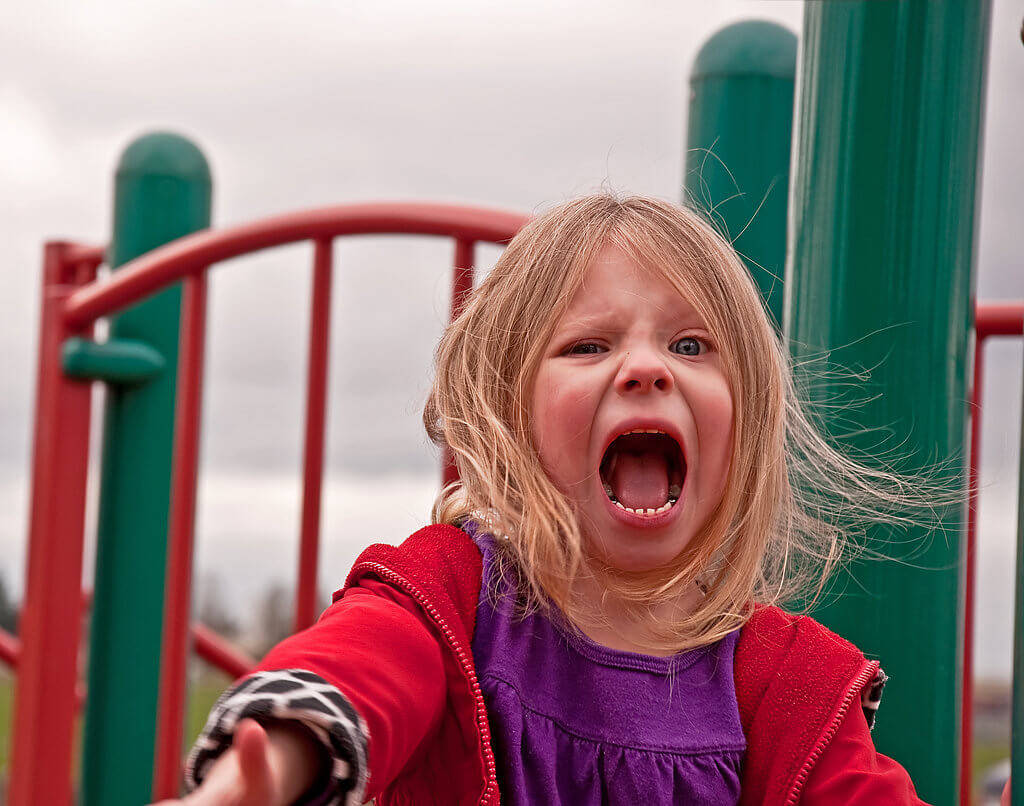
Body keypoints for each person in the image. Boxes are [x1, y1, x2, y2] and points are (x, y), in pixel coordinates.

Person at [157, 194, 949, 805]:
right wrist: (258, 775)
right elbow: (352, 677)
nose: (647, 369)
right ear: (511, 412)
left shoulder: (785, 680)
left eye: (691, 345)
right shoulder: (450, 598)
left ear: (744, 418)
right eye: (589, 346)